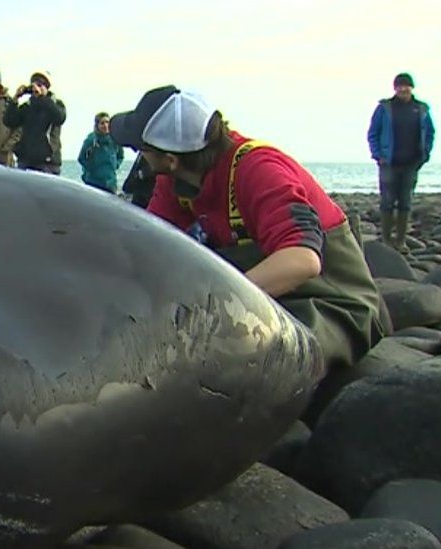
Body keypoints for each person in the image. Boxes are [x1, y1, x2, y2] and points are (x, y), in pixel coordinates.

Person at [110, 85, 383, 419]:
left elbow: (302, 259)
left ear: (169, 157)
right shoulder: (176, 181)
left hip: (327, 300)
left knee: (248, 371)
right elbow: (149, 243)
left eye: (142, 150)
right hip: (265, 299)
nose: (140, 158)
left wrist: (218, 304)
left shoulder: (259, 168)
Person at [367, 72, 435, 253]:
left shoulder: (421, 109)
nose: (403, 89)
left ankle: (401, 241)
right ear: (395, 88)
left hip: (411, 164)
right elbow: (373, 133)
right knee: (387, 201)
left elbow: (430, 133)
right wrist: (378, 155)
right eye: (400, 86)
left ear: (412, 88)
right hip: (388, 163)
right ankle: (387, 240)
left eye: (406, 86)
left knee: (406, 202)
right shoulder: (384, 108)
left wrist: (425, 155)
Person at [4, 71, 66, 174]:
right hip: (25, 161)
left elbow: (59, 118)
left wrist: (43, 98)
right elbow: (9, 121)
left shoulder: (55, 104)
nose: (36, 89)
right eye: (34, 86)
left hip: (47, 163)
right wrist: (15, 99)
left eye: (40, 85)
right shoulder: (28, 106)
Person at [77, 112, 123, 192]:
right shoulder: (91, 140)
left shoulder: (115, 139)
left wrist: (115, 165)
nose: (105, 125)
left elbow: (120, 156)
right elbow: (81, 158)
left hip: (110, 182)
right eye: (102, 123)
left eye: (107, 122)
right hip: (93, 182)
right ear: (97, 125)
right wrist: (91, 168)